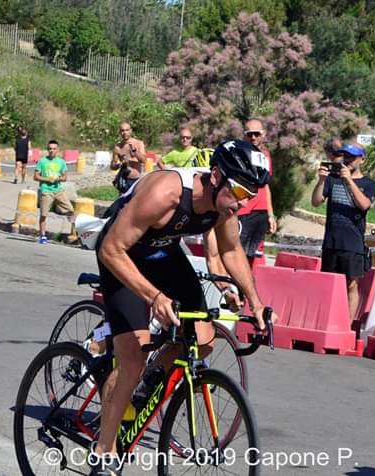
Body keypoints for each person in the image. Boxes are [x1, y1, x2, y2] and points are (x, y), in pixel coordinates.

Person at [92, 140, 278, 475]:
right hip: (122, 256)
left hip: (163, 254)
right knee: (132, 355)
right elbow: (111, 249)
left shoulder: (223, 206)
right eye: (239, 191)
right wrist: (154, 297)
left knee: (203, 340)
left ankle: (150, 380)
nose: (243, 202)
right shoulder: (166, 193)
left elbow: (232, 251)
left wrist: (257, 302)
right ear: (217, 175)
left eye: (251, 195)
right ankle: (104, 450)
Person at [311, 143, 375, 321]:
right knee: (328, 284)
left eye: (352, 156)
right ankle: (325, 321)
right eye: (346, 156)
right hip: (332, 241)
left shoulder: (368, 183)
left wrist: (349, 181)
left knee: (351, 285)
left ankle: (346, 325)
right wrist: (322, 181)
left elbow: (364, 205)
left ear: (362, 159)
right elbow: (316, 202)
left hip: (353, 243)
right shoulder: (333, 178)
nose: (348, 160)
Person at [236, 119, 276, 266]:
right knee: (237, 255)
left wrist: (270, 214)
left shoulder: (266, 155)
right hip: (243, 212)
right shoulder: (237, 154)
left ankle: (246, 289)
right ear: (244, 135)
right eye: (249, 134)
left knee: (252, 257)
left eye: (257, 134)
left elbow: (265, 186)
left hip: (261, 213)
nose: (253, 137)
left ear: (263, 135)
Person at [34, 140, 75, 244]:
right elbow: (36, 176)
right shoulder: (42, 161)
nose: (51, 150)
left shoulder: (61, 162)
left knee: (70, 210)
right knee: (43, 214)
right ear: (47, 150)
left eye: (54, 149)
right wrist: (47, 179)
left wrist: (58, 179)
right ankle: (43, 235)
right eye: (50, 148)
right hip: (46, 191)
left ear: (58, 150)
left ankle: (74, 232)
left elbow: (65, 177)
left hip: (58, 190)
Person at [111, 122, 147, 194]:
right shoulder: (118, 147)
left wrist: (135, 151)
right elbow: (112, 166)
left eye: (127, 130)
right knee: (123, 203)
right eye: (122, 130)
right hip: (124, 179)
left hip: (136, 179)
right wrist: (120, 164)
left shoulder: (139, 143)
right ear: (120, 132)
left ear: (131, 131)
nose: (125, 133)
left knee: (136, 203)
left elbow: (144, 160)